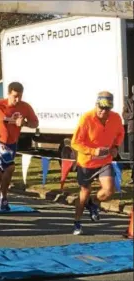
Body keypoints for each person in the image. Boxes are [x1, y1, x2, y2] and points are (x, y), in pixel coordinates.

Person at [71, 91, 125, 235]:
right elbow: (75, 143)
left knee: (109, 190)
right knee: (84, 193)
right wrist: (92, 151)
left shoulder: (115, 118)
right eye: (100, 107)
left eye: (106, 109)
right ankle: (77, 222)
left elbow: (120, 133)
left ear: (111, 108)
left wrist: (115, 147)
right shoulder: (86, 119)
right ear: (96, 105)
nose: (103, 111)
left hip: (105, 161)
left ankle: (93, 202)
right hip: (86, 162)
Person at [0, 82, 38, 212]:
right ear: (8, 94)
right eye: (14, 96)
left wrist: (25, 123)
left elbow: (35, 123)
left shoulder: (25, 107)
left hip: (12, 143)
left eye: (20, 96)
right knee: (10, 167)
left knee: (1, 171)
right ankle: (3, 198)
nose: (17, 99)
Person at [123, 86, 134, 184]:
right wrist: (132, 115)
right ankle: (133, 177)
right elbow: (124, 114)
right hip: (132, 131)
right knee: (132, 156)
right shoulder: (128, 102)